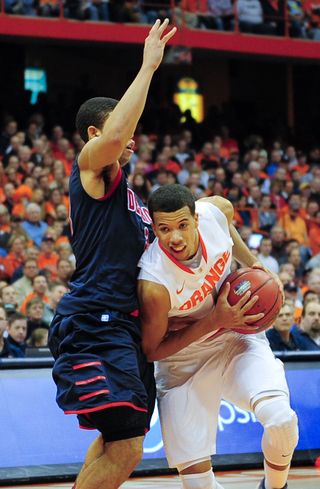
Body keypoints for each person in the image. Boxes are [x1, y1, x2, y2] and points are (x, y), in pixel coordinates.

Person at [47, 20, 176, 489]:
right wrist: (147, 67)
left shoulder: (135, 202)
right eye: (120, 129)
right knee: (126, 446)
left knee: (120, 440)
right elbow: (119, 138)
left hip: (123, 325)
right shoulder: (89, 173)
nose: (133, 139)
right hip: (94, 322)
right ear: (94, 134)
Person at [137, 184, 297, 489]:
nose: (175, 237)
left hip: (234, 337)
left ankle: (275, 487)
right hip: (183, 359)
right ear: (153, 228)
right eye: (164, 229)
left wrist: (253, 264)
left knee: (281, 421)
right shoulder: (154, 284)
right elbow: (151, 350)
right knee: (197, 484)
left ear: (197, 219)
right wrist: (214, 319)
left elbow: (227, 225)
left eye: (183, 225)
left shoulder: (216, 212)